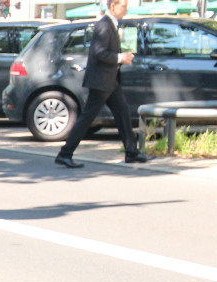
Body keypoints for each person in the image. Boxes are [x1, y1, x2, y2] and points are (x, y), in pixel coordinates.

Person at [54, 0, 148, 168]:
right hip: (101, 81)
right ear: (113, 6)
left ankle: (131, 152)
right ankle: (65, 153)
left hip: (109, 81)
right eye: (123, 6)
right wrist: (121, 58)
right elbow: (99, 53)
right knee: (87, 118)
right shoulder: (104, 25)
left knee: (123, 113)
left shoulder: (111, 24)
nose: (126, 9)